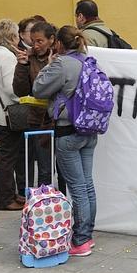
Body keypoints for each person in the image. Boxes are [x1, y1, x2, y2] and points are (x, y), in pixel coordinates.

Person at [33, 25, 98, 257]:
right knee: (87, 185)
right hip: (88, 130)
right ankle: (87, 237)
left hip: (67, 131)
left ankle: (80, 241)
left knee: (77, 188)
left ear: (59, 43)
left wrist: (50, 63)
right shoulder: (88, 60)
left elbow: (38, 89)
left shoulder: (62, 63)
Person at [13, 21, 63, 193]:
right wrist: (22, 66)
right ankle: (46, 206)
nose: (35, 45)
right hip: (39, 121)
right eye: (33, 41)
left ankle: (64, 201)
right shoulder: (29, 58)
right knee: (44, 169)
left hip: (61, 119)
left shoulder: (61, 57)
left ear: (51, 39)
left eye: (39, 41)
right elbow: (20, 91)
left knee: (64, 168)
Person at [0, 19, 25, 211]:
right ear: (12, 36)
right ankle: (5, 198)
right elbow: (12, 89)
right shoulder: (7, 57)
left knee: (8, 155)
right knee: (8, 157)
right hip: (8, 111)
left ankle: (10, 194)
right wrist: (26, 97)